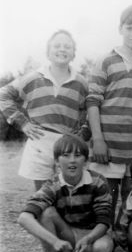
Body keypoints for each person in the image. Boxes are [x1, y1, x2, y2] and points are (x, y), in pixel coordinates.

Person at [86, 5, 132, 223]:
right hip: (106, 147)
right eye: (130, 28)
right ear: (120, 28)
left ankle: (124, 251)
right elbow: (93, 101)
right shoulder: (105, 60)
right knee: (104, 205)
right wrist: (98, 139)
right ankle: (101, 250)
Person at [17, 134, 113, 252]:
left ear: (86, 160)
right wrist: (55, 241)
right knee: (45, 213)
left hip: (93, 234)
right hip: (67, 234)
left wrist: (89, 239)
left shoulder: (98, 181)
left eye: (77, 155)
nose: (72, 160)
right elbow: (24, 218)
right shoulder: (52, 185)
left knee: (102, 249)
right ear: (56, 161)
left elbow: (104, 220)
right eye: (66, 155)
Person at [0, 30, 88, 191]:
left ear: (73, 54)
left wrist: (82, 133)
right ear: (48, 52)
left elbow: (88, 110)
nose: (62, 49)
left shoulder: (81, 82)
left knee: (68, 194)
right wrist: (22, 123)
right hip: (39, 140)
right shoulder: (33, 77)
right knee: (42, 195)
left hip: (67, 144)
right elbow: (3, 94)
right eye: (57, 46)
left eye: (67, 46)